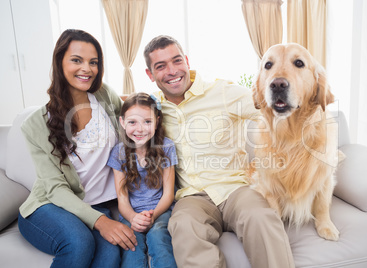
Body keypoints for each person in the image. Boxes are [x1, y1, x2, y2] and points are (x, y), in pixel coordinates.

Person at [143, 35, 295, 268]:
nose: (172, 71)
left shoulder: (223, 92)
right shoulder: (153, 111)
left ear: (186, 61)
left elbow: (271, 111)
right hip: (192, 197)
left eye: (176, 61)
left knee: (261, 217)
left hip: (236, 188)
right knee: (183, 226)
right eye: (160, 66)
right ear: (150, 75)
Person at [17, 29, 137, 268]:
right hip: (50, 205)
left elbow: (136, 118)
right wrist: (102, 221)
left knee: (110, 257)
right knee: (79, 243)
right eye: (76, 60)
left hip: (97, 204)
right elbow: (55, 187)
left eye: (93, 62)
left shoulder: (104, 95)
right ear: (59, 62)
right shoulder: (36, 124)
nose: (87, 69)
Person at [107, 92, 178, 268]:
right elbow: (122, 199)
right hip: (131, 214)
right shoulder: (119, 153)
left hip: (161, 211)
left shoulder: (167, 147)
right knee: (131, 246)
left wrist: (151, 217)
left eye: (147, 121)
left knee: (158, 237)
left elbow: (168, 194)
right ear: (122, 122)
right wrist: (133, 218)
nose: (140, 129)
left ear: (157, 121)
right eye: (132, 122)